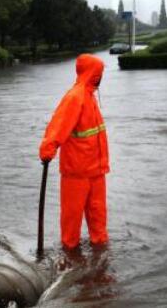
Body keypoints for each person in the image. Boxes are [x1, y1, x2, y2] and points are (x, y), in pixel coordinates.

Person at [39, 54, 110, 250]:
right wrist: (48, 149)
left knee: (98, 216)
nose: (100, 77)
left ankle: (100, 253)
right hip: (77, 172)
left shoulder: (90, 97)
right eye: (99, 73)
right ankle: (69, 256)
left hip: (96, 171)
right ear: (92, 73)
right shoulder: (75, 97)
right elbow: (58, 126)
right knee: (72, 219)